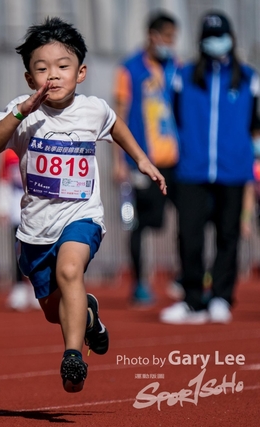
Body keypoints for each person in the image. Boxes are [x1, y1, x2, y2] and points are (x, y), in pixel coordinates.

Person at [0, 17, 166, 393]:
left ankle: (72, 356)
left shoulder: (92, 109)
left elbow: (116, 125)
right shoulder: (21, 114)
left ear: (80, 72)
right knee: (56, 311)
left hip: (81, 217)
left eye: (63, 67)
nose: (53, 75)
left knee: (71, 271)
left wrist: (142, 159)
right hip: (35, 229)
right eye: (42, 69)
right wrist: (22, 111)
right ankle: (89, 318)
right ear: (28, 77)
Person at [160, 11, 260, 325]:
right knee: (189, 234)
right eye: (210, 36)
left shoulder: (248, 78)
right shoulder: (184, 75)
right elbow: (175, 113)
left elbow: (255, 122)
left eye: (221, 35)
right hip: (192, 167)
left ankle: (220, 296)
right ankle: (192, 299)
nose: (216, 42)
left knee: (227, 234)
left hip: (233, 168)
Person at [113, 11, 180, 305]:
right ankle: (140, 282)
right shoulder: (129, 69)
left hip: (176, 160)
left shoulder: (177, 68)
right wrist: (119, 160)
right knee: (139, 223)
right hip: (142, 160)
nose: (170, 43)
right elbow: (120, 114)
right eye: (166, 37)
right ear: (153, 35)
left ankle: (186, 276)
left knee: (192, 215)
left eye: (173, 38)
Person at [0, 149, 40, 311]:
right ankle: (19, 287)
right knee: (17, 249)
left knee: (37, 248)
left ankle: (37, 287)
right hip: (16, 206)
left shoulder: (37, 146)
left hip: (36, 207)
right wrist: (1, 206)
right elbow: (3, 179)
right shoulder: (8, 153)